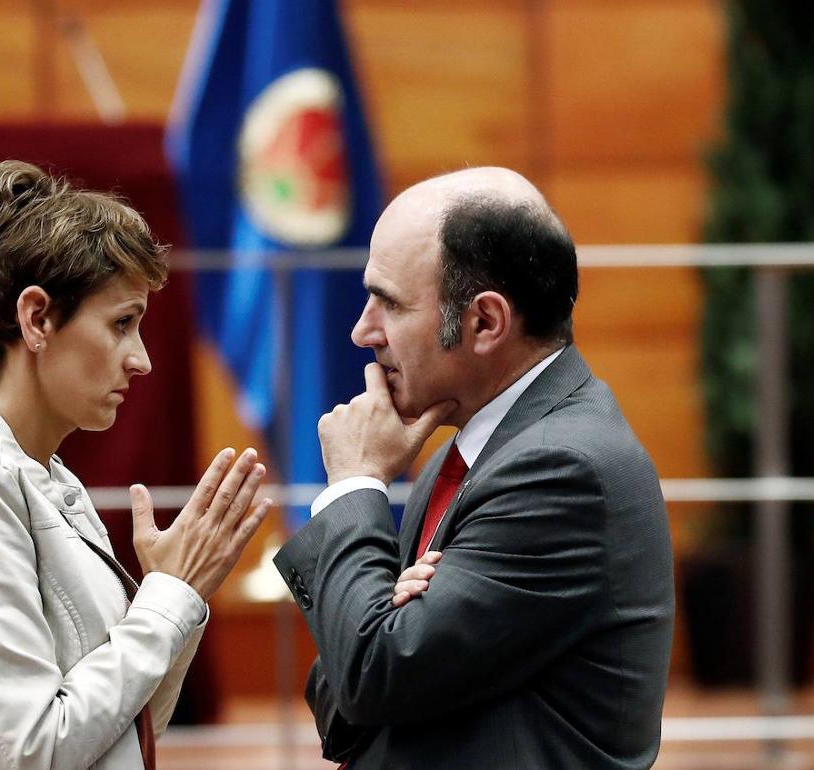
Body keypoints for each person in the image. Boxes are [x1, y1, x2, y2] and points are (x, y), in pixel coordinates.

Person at [0, 160, 271, 770]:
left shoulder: (46, 477)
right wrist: (168, 598)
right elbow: (37, 749)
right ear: (36, 319)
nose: (142, 360)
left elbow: (122, 732)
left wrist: (177, 603)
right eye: (121, 324)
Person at [274, 167, 674, 769]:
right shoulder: (462, 455)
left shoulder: (561, 470)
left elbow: (370, 676)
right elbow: (343, 705)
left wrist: (355, 486)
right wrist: (376, 621)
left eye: (389, 303)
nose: (362, 331)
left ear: (485, 322)